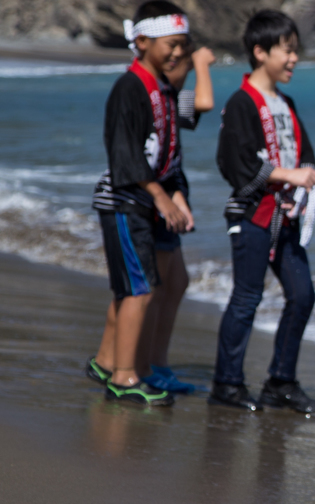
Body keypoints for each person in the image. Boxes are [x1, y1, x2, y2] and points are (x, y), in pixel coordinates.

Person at [209, 9, 315, 414]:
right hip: (251, 216)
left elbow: (303, 152)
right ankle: (227, 383)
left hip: (286, 219)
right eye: (286, 51)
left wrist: (306, 174)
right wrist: (287, 174)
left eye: (296, 51)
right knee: (246, 297)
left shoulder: (285, 102)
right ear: (260, 52)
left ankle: (281, 381)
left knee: (303, 295)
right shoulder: (241, 103)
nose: (294, 59)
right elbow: (234, 162)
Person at [86, 0, 194, 406]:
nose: (178, 52)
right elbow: (124, 156)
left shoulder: (161, 89)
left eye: (183, 45)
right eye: (172, 44)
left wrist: (176, 194)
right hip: (124, 202)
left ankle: (108, 362)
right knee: (139, 290)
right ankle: (125, 378)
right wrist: (160, 196)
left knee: (133, 288)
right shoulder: (130, 88)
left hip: (143, 201)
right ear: (143, 41)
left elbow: (169, 151)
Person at [136, 40, 217, 395]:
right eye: (183, 64)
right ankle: (143, 365)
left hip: (169, 194)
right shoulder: (162, 95)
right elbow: (205, 102)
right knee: (157, 284)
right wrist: (202, 63)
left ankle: (156, 361)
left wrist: (179, 193)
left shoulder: (169, 99)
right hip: (153, 200)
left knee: (177, 281)